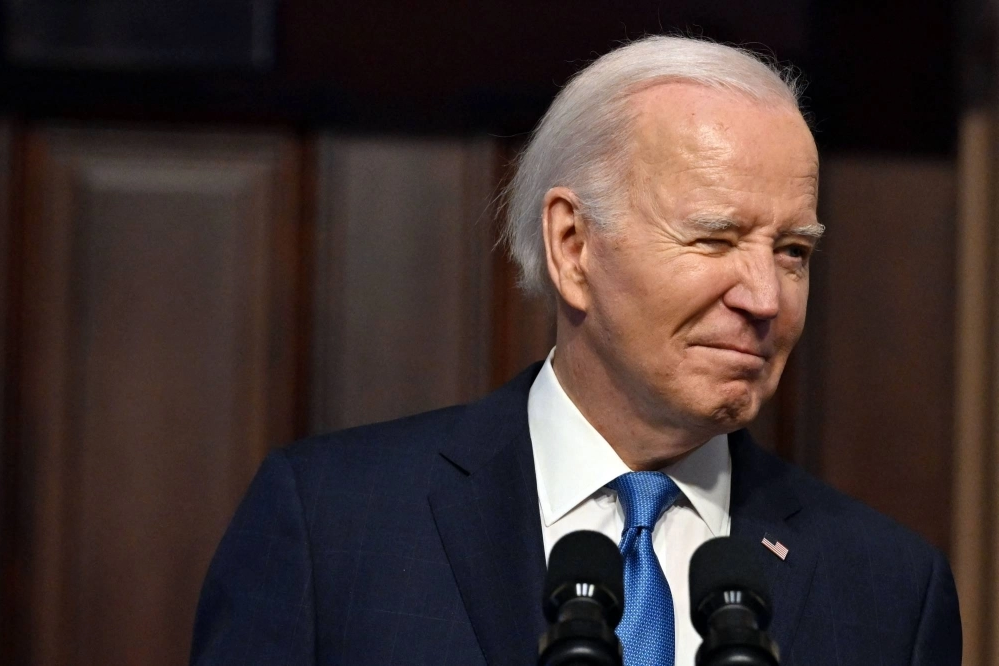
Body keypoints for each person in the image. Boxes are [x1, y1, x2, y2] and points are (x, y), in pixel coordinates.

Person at [190, 36, 961, 666]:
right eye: (714, 239)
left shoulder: (889, 590)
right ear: (572, 246)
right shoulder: (332, 527)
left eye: (793, 251)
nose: (764, 298)